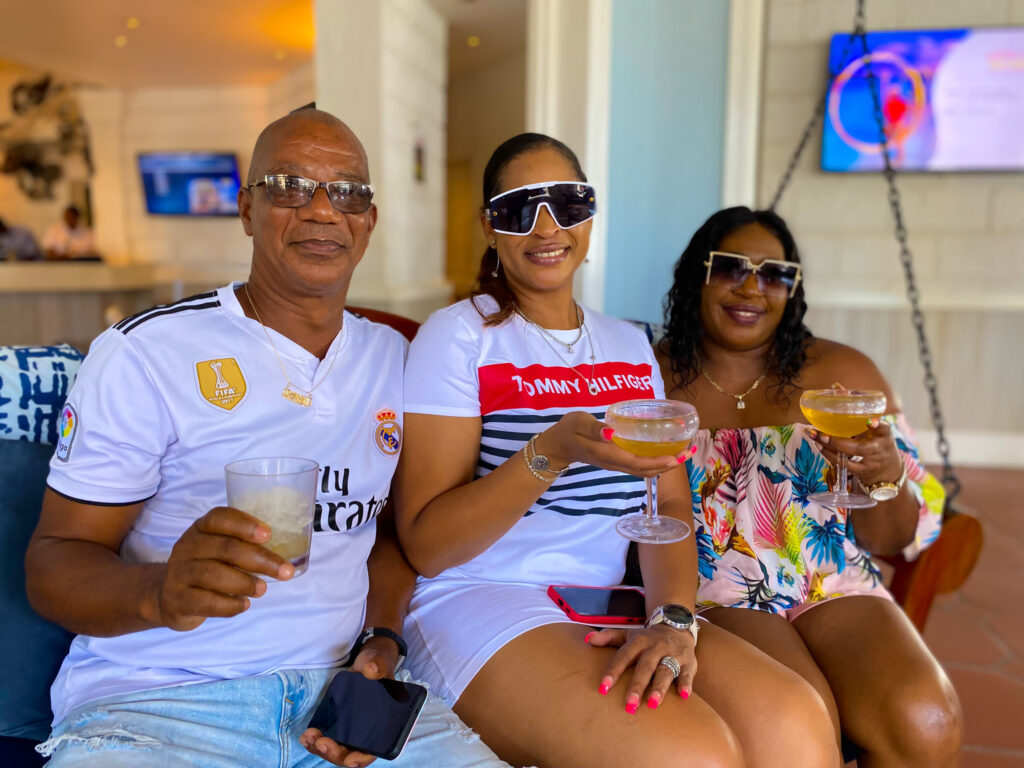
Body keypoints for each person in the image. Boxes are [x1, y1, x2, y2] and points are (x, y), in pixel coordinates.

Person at [25, 109, 509, 768]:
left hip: (337, 700)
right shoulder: (147, 352)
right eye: (288, 185)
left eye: (347, 192)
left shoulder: (400, 358)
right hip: (156, 705)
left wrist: (383, 638)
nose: (321, 210)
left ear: (368, 220)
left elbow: (398, 532)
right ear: (246, 209)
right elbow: (55, 561)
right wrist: (159, 590)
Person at [383, 134, 839, 768]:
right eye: (520, 207)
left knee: (796, 725)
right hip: (483, 596)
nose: (548, 226)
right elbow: (429, 544)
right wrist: (552, 450)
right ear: (492, 226)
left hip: (605, 598)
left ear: (589, 215)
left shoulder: (628, 346)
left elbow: (669, 500)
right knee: (693, 756)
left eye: (568, 203)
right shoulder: (458, 336)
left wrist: (675, 620)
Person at [658, 206, 963, 766]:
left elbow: (893, 540)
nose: (752, 287)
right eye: (731, 268)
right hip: (717, 588)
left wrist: (885, 474)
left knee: (928, 721)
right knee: (803, 731)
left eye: (774, 274)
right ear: (697, 274)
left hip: (831, 581)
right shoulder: (649, 373)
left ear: (792, 291)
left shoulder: (847, 377)